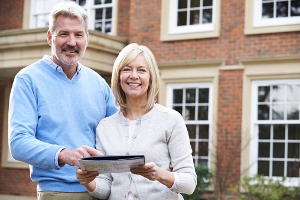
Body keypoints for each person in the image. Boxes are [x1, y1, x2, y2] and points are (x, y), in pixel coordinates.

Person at [8, 2, 118, 199]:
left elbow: (120, 133)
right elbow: (18, 143)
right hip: (57, 193)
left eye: (78, 34)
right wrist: (64, 154)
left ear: (87, 39)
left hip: (101, 191)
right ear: (50, 37)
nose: (72, 42)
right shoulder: (28, 80)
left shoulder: (99, 84)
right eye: (64, 33)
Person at [76, 43, 197, 199]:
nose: (134, 75)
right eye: (127, 69)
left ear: (151, 77)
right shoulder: (105, 126)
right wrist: (88, 182)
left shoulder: (171, 120)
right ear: (118, 77)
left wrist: (159, 174)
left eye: (141, 70)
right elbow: (106, 188)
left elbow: (189, 183)